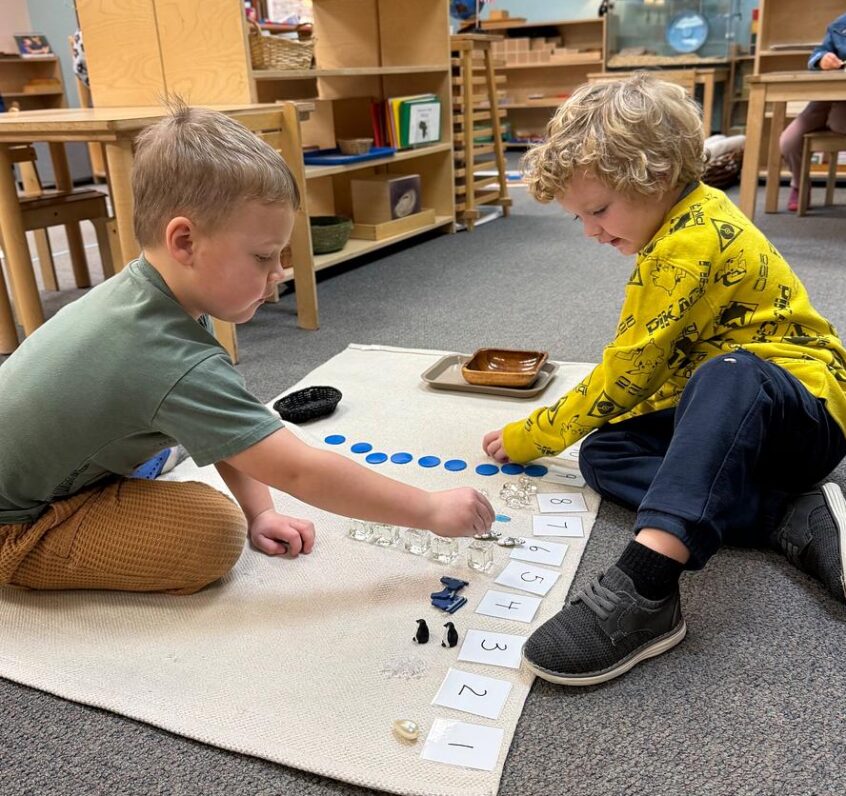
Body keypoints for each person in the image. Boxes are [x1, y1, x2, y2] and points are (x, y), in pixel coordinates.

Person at [0, 103, 494, 595]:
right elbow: (299, 469)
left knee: (196, 433)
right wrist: (428, 510)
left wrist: (262, 510)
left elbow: (231, 434)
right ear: (185, 241)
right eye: (262, 257)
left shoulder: (151, 296)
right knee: (211, 534)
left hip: (36, 471)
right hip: (13, 527)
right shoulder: (170, 358)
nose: (278, 273)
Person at [483, 74, 846, 686]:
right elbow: (654, 373)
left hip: (805, 409)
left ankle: (646, 586)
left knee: (727, 376)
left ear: (654, 177)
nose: (592, 231)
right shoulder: (677, 220)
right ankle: (785, 510)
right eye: (581, 217)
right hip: (737, 415)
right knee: (606, 451)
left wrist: (533, 435)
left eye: (597, 210)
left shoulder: (687, 243)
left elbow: (627, 374)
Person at [779, 12, 846, 212]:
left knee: (838, 121)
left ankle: (835, 117)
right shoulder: (839, 25)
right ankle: (799, 185)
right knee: (788, 141)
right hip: (824, 99)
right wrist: (822, 60)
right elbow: (816, 55)